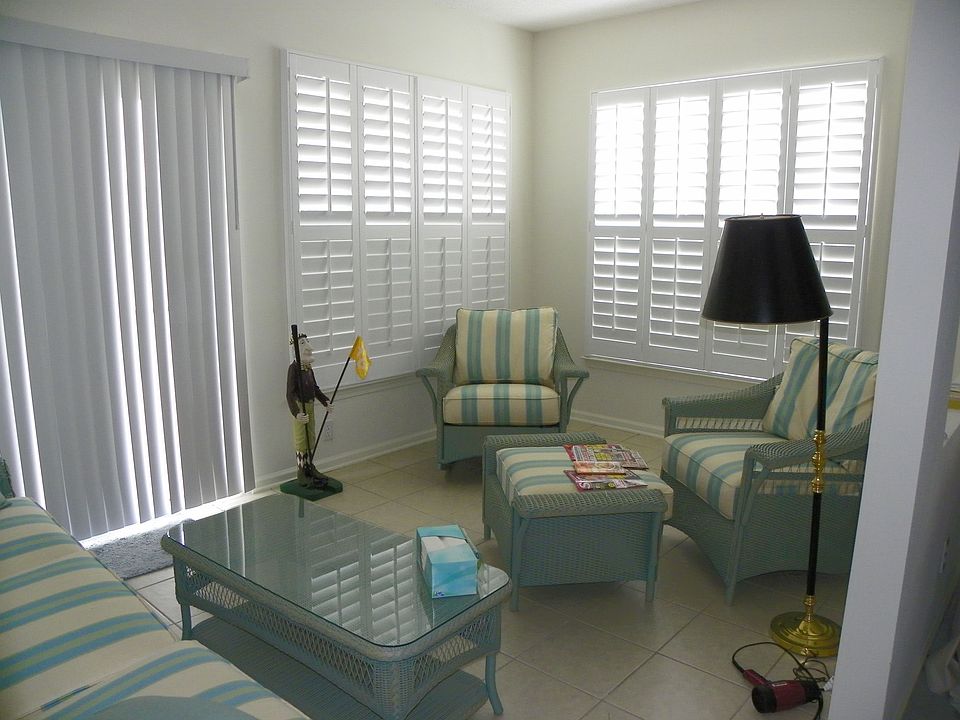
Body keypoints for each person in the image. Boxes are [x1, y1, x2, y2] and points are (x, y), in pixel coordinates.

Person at [286, 333, 332, 487]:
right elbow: (289, 394)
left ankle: (309, 467)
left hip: (311, 406)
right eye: (303, 343)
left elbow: (315, 388)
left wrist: (325, 401)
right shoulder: (293, 369)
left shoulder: (308, 369)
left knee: (310, 437)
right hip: (301, 408)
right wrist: (296, 413)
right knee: (301, 439)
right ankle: (301, 471)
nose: (308, 347)